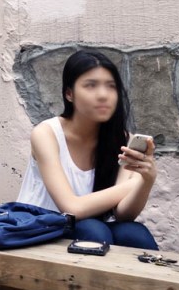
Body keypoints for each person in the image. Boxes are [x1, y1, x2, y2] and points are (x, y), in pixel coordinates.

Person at [16, 49, 158, 249]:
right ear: (69, 94)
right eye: (91, 85)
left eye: (111, 86)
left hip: (87, 229)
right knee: (94, 230)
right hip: (38, 230)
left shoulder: (123, 140)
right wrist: (132, 184)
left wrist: (146, 181)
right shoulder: (46, 134)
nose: (103, 95)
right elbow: (71, 208)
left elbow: (123, 214)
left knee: (134, 233)